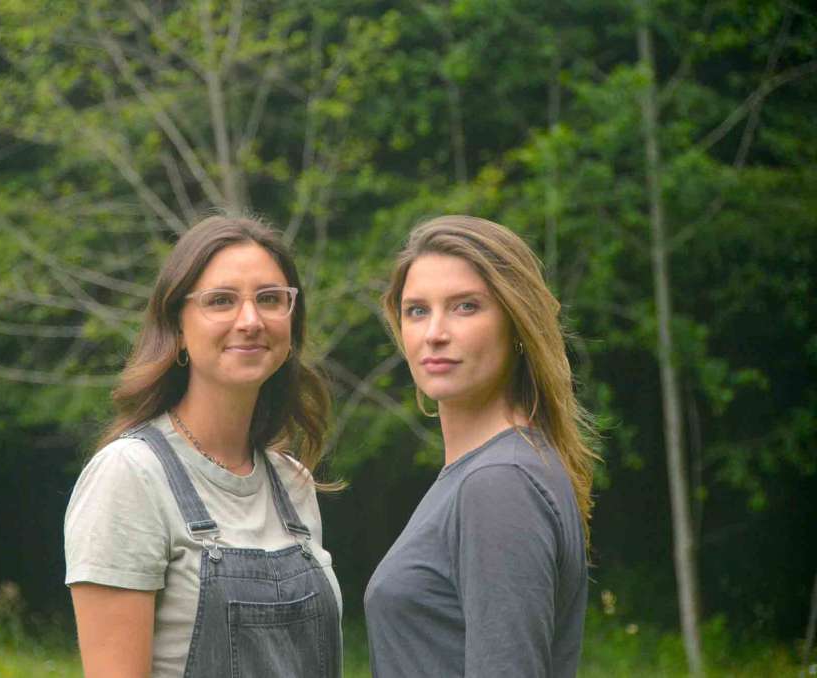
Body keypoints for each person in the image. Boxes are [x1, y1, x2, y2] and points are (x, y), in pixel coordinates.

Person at [64, 214, 342, 678]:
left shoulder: (293, 482)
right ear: (177, 327)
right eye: (221, 301)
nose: (250, 320)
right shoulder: (130, 476)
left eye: (271, 299)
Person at [364, 215, 598, 678]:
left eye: (465, 307)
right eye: (416, 310)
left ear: (516, 324)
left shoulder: (499, 483)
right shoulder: (492, 471)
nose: (435, 332)